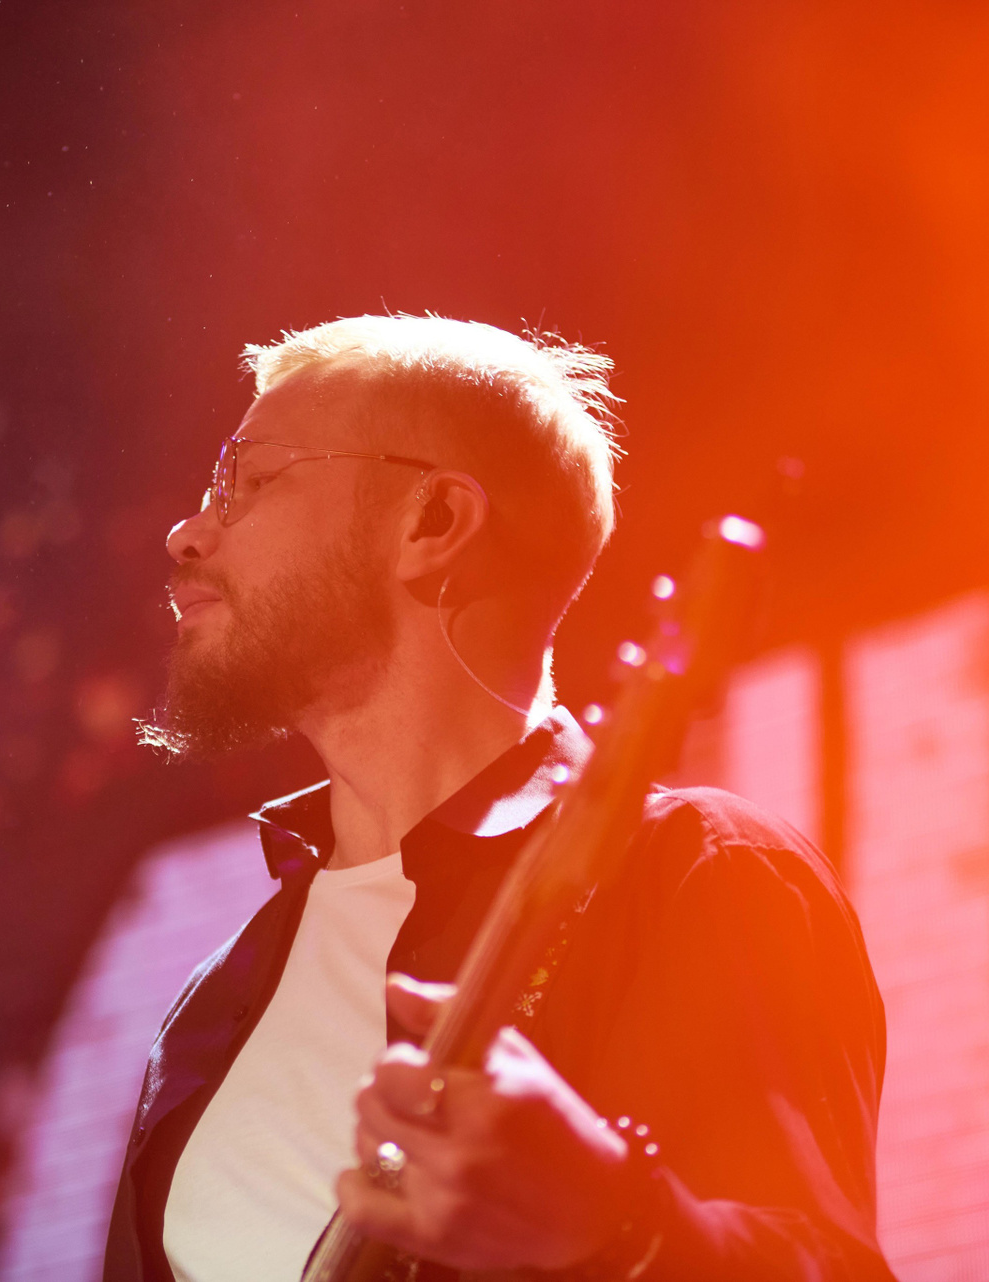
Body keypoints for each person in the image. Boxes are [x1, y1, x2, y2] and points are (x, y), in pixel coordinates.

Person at [103, 315, 895, 1281]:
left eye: (252, 480)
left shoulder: (696, 872)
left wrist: (620, 1228)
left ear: (433, 522)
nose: (188, 532)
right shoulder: (214, 998)